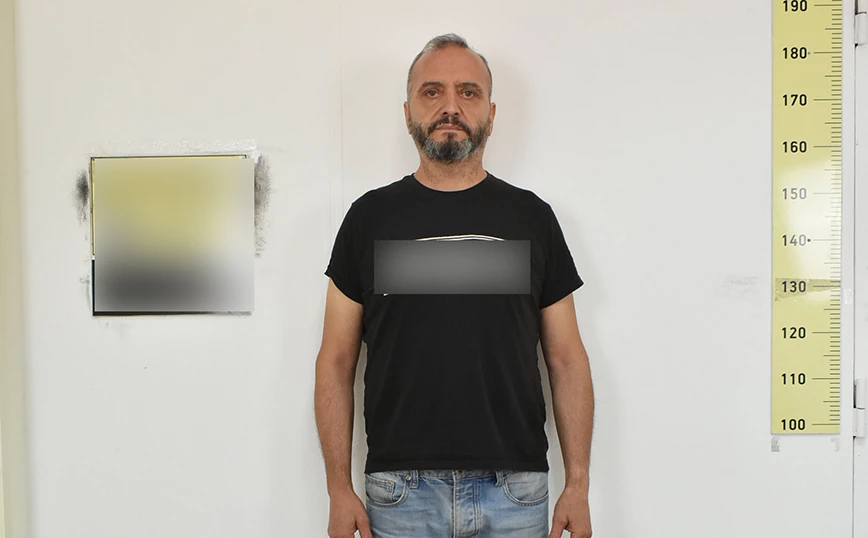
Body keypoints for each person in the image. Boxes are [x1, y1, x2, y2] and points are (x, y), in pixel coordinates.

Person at [315, 33, 594, 538]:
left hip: (515, 492)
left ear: (491, 111)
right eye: (432, 91)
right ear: (407, 113)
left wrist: (578, 484)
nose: (450, 106)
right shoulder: (368, 218)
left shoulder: (532, 218)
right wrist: (338, 488)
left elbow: (567, 358)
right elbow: (335, 360)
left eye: (468, 91)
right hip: (400, 495)